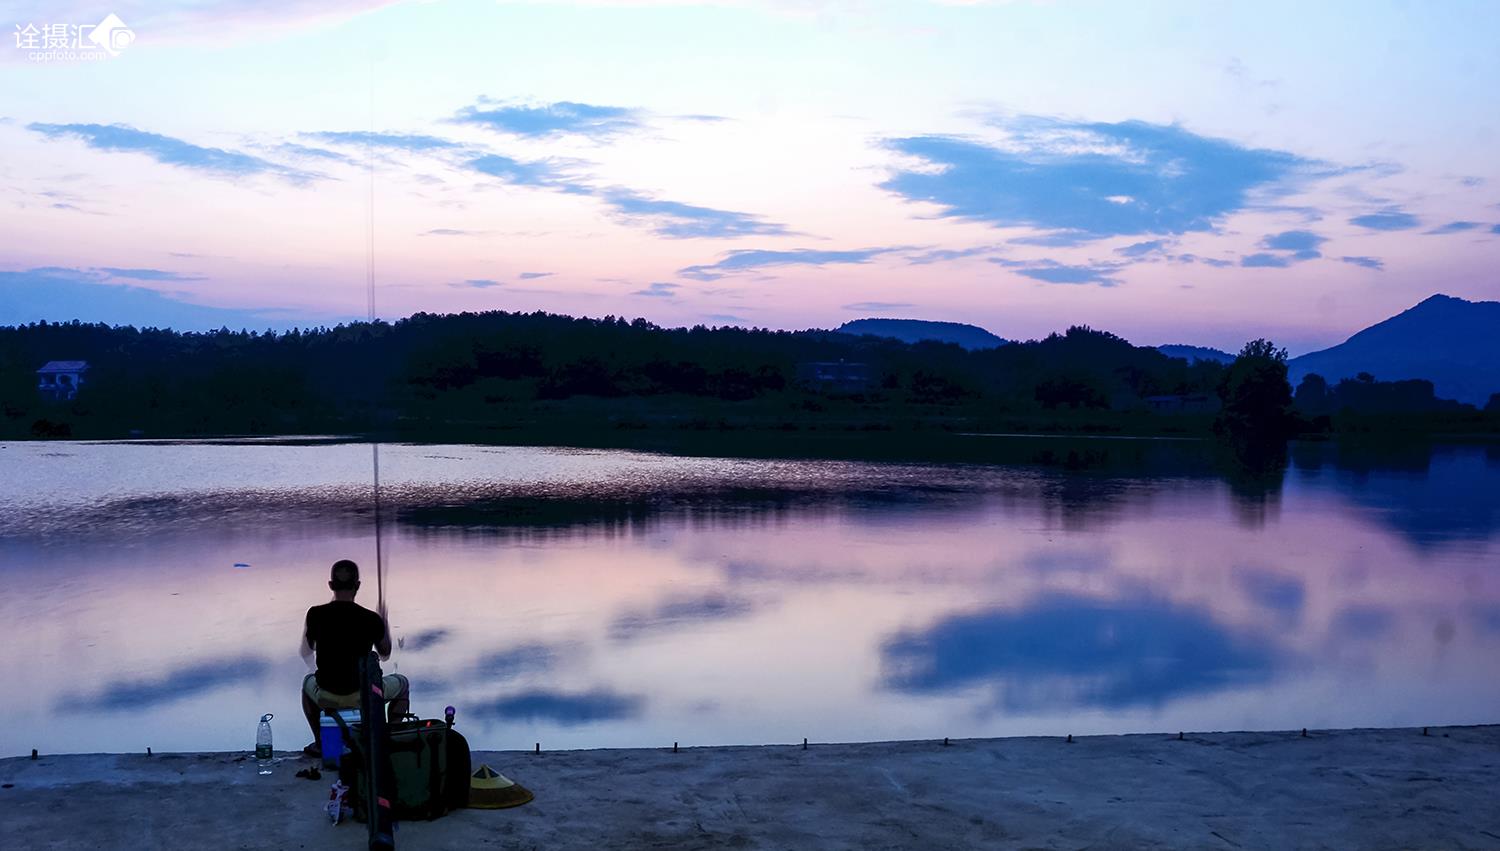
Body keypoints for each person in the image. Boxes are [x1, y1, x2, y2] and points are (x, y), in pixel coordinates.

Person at [300, 559, 410, 754]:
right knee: (403, 685)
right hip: (364, 694)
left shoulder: (315, 614)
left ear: (331, 585)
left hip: (327, 693)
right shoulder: (370, 619)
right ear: (357, 586)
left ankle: (320, 743)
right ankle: (389, 738)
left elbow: (308, 649)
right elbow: (385, 653)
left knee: (307, 683)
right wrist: (384, 623)